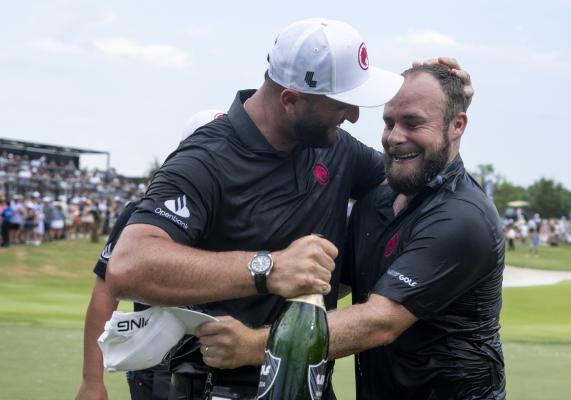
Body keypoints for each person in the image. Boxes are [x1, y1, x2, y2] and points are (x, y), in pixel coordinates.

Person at [106, 18, 404, 400]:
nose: (354, 115)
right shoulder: (205, 159)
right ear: (290, 100)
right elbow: (128, 265)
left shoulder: (333, 145)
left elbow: (404, 177)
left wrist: (440, 90)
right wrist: (268, 268)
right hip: (218, 387)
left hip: (310, 384)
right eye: (341, 103)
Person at [198, 64, 504, 399]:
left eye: (413, 123)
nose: (394, 137)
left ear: (457, 125)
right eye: (389, 122)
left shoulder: (464, 217)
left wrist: (255, 344)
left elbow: (380, 321)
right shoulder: (375, 203)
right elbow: (333, 283)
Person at [75, 110, 225, 400]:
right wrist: (91, 381)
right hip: (157, 364)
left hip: (233, 363)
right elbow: (105, 294)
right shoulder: (141, 214)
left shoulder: (253, 216)